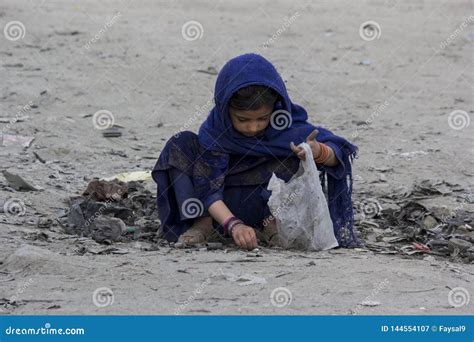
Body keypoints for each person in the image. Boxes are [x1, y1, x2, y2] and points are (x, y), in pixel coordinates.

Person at [152, 53, 359, 250]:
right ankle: (203, 223)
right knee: (180, 144)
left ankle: (270, 224)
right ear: (225, 109)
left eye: (262, 119)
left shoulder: (286, 127)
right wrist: (234, 225)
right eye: (243, 120)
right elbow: (209, 189)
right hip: (220, 206)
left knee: (295, 152)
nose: (253, 127)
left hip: (265, 204)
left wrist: (317, 152)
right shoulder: (216, 132)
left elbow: (338, 153)